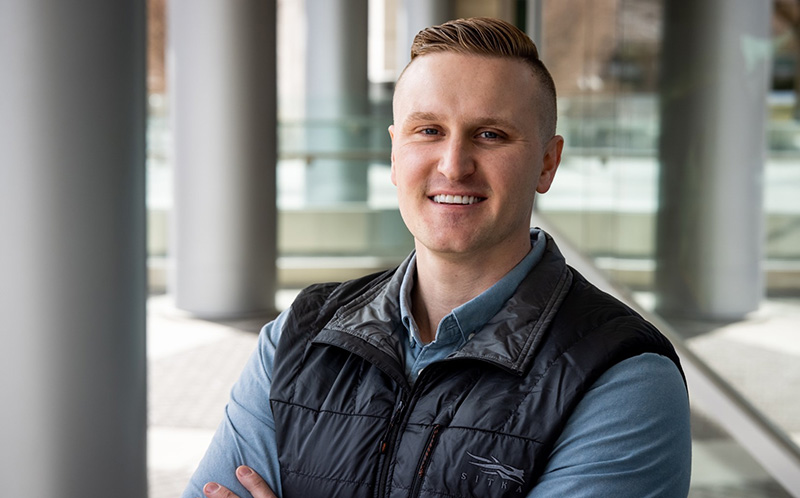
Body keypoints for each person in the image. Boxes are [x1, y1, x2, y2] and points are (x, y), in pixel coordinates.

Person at [182, 17, 691, 498]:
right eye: (428, 130)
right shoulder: (300, 335)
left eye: (490, 135)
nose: (454, 164)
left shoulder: (624, 376)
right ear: (394, 154)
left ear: (547, 163)